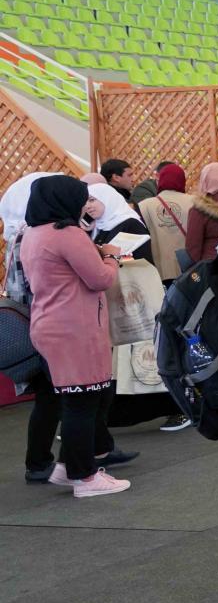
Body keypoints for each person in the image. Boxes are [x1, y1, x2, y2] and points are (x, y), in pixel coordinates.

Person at [20, 176, 126, 498]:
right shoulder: (68, 234)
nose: (85, 204)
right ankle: (85, 476)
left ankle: (68, 468)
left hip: (47, 325)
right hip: (75, 328)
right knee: (84, 402)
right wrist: (112, 256)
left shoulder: (32, 235)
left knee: (72, 399)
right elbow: (100, 279)